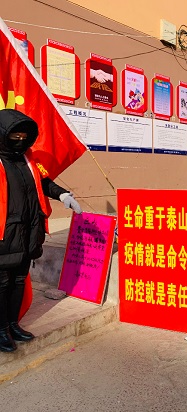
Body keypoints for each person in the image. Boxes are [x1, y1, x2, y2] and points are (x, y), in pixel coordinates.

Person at [0, 109, 82, 353]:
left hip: (28, 232)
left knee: (17, 280)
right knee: (2, 283)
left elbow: (44, 182)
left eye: (24, 136)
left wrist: (62, 194)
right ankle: (0, 329)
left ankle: (13, 324)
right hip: (4, 235)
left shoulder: (29, 160)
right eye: (15, 135)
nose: (20, 140)